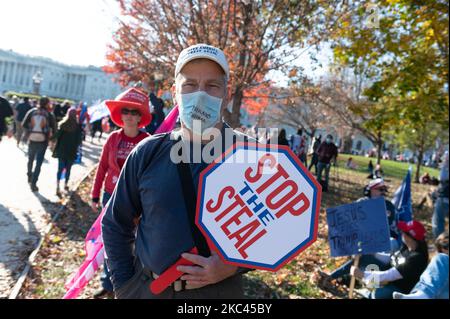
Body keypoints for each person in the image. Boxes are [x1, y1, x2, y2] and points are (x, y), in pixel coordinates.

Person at [102, 44, 253, 299]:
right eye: (190, 85)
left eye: (212, 85)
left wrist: (233, 266)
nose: (201, 94)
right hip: (148, 290)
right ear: (175, 93)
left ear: (226, 94)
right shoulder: (147, 153)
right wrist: (125, 287)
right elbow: (116, 224)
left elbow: (278, 232)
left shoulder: (252, 156)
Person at [91, 88, 151, 298]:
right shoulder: (113, 139)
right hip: (111, 196)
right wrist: (95, 194)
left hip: (136, 201)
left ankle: (129, 283)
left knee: (133, 242)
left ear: (141, 116)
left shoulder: (148, 141)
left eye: (134, 112)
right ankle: (109, 283)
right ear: (120, 115)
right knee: (111, 242)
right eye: (125, 111)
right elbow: (102, 168)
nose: (129, 116)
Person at [350, 220, 429, 299]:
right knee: (364, 258)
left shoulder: (416, 258)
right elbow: (390, 259)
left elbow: (390, 275)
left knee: (375, 296)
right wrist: (371, 253)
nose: (401, 233)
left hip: (399, 288)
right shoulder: (407, 247)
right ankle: (364, 284)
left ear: (409, 237)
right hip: (388, 279)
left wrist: (362, 274)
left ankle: (371, 289)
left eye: (403, 232)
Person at [394, 232, 448, 299]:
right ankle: (422, 295)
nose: (446, 250)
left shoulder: (418, 257)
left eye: (447, 245)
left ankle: (423, 295)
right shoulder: (436, 263)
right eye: (444, 246)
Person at [21, 97, 56, 192]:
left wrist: (30, 131)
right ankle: (34, 183)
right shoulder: (49, 114)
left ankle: (29, 175)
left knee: (30, 159)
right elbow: (54, 129)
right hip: (43, 140)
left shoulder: (32, 111)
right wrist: (52, 140)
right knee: (39, 162)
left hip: (32, 139)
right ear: (47, 104)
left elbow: (24, 124)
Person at [52, 108, 83, 197]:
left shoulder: (63, 124)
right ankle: (65, 184)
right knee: (68, 169)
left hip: (61, 151)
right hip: (71, 152)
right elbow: (79, 141)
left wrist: (49, 138)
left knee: (60, 169)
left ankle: (57, 186)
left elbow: (57, 136)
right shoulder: (78, 127)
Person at [432, 152, 449, 239]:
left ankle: (440, 243)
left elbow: (442, 178)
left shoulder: (446, 167)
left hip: (444, 197)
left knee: (437, 222)